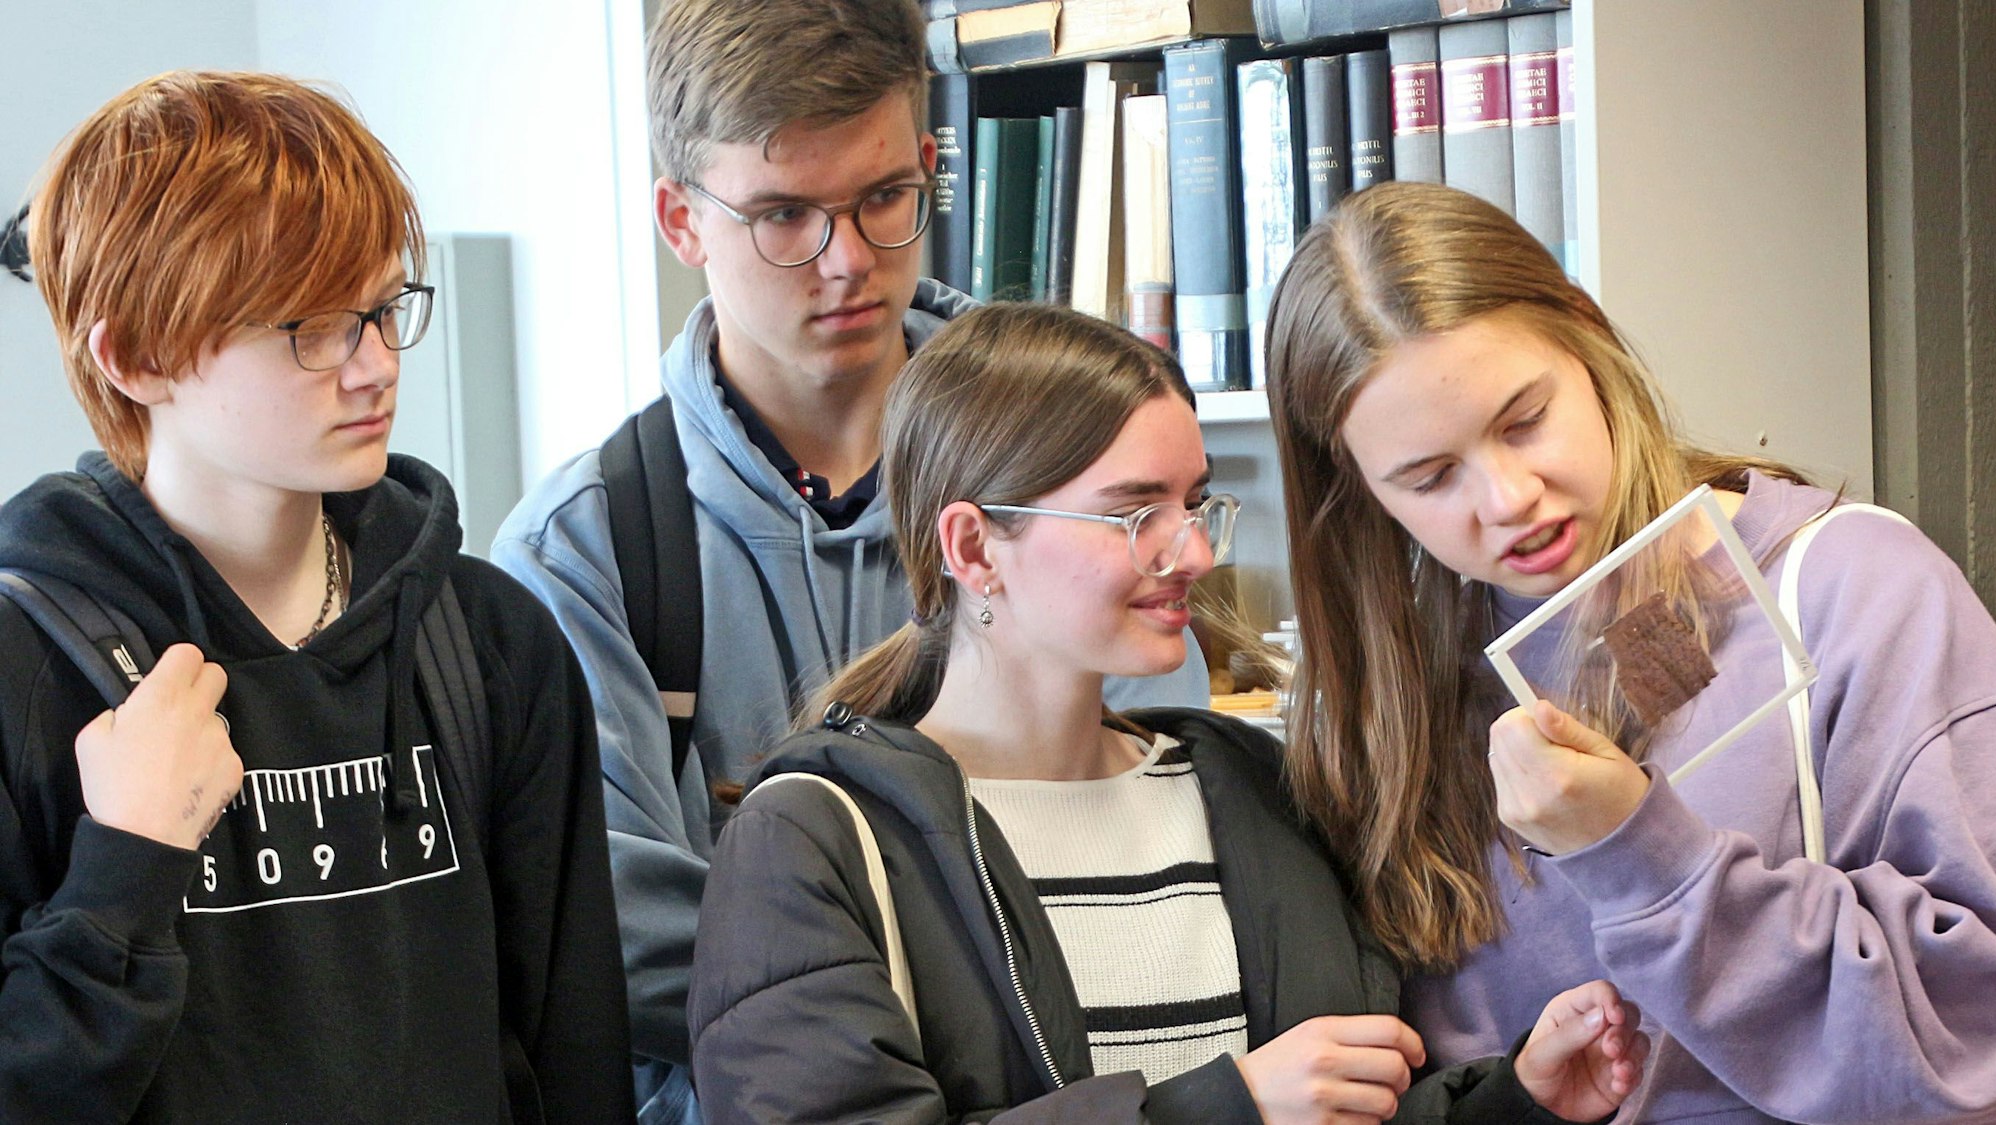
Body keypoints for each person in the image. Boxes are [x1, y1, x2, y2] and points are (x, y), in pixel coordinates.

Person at [491, 2, 1206, 1116]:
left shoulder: (1084, 459)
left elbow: (1170, 820)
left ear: (929, 162)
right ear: (681, 220)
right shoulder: (582, 552)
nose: (846, 263)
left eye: (883, 200)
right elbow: (607, 929)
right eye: (783, 216)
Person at [687, 302, 1649, 1122]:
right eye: (1132, 512)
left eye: (1194, 503)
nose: (1191, 551)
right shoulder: (813, 840)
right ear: (976, 548)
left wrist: (1509, 1100)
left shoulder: (1253, 789)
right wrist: (1227, 1106)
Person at [1263, 180, 1996, 1122]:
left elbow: (1974, 1040)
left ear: (1587, 332)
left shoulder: (1857, 588)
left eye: (1524, 418)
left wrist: (1644, 857)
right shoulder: (1389, 696)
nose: (1508, 497)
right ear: (1359, 488)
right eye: (1430, 476)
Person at [0, 71, 632, 1121]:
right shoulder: (25, 670)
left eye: (384, 310)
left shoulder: (489, 642)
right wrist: (122, 869)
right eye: (312, 326)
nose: (375, 366)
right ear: (135, 355)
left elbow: (573, 1055)